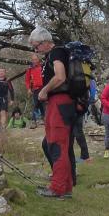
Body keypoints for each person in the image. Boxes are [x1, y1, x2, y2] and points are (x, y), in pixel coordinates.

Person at [33, 25, 73, 199]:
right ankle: (66, 187)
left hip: (60, 103)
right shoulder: (54, 54)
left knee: (57, 145)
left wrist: (44, 90)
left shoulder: (57, 53)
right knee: (54, 143)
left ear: (46, 42)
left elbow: (60, 76)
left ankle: (57, 188)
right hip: (59, 103)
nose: (36, 50)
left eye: (36, 46)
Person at [24, 54, 45, 128]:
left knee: (43, 104)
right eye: (33, 60)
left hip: (44, 88)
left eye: (35, 59)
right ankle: (34, 121)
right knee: (36, 104)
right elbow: (27, 80)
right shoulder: (30, 69)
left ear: (38, 59)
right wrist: (28, 89)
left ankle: (44, 119)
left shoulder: (43, 67)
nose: (34, 61)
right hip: (35, 89)